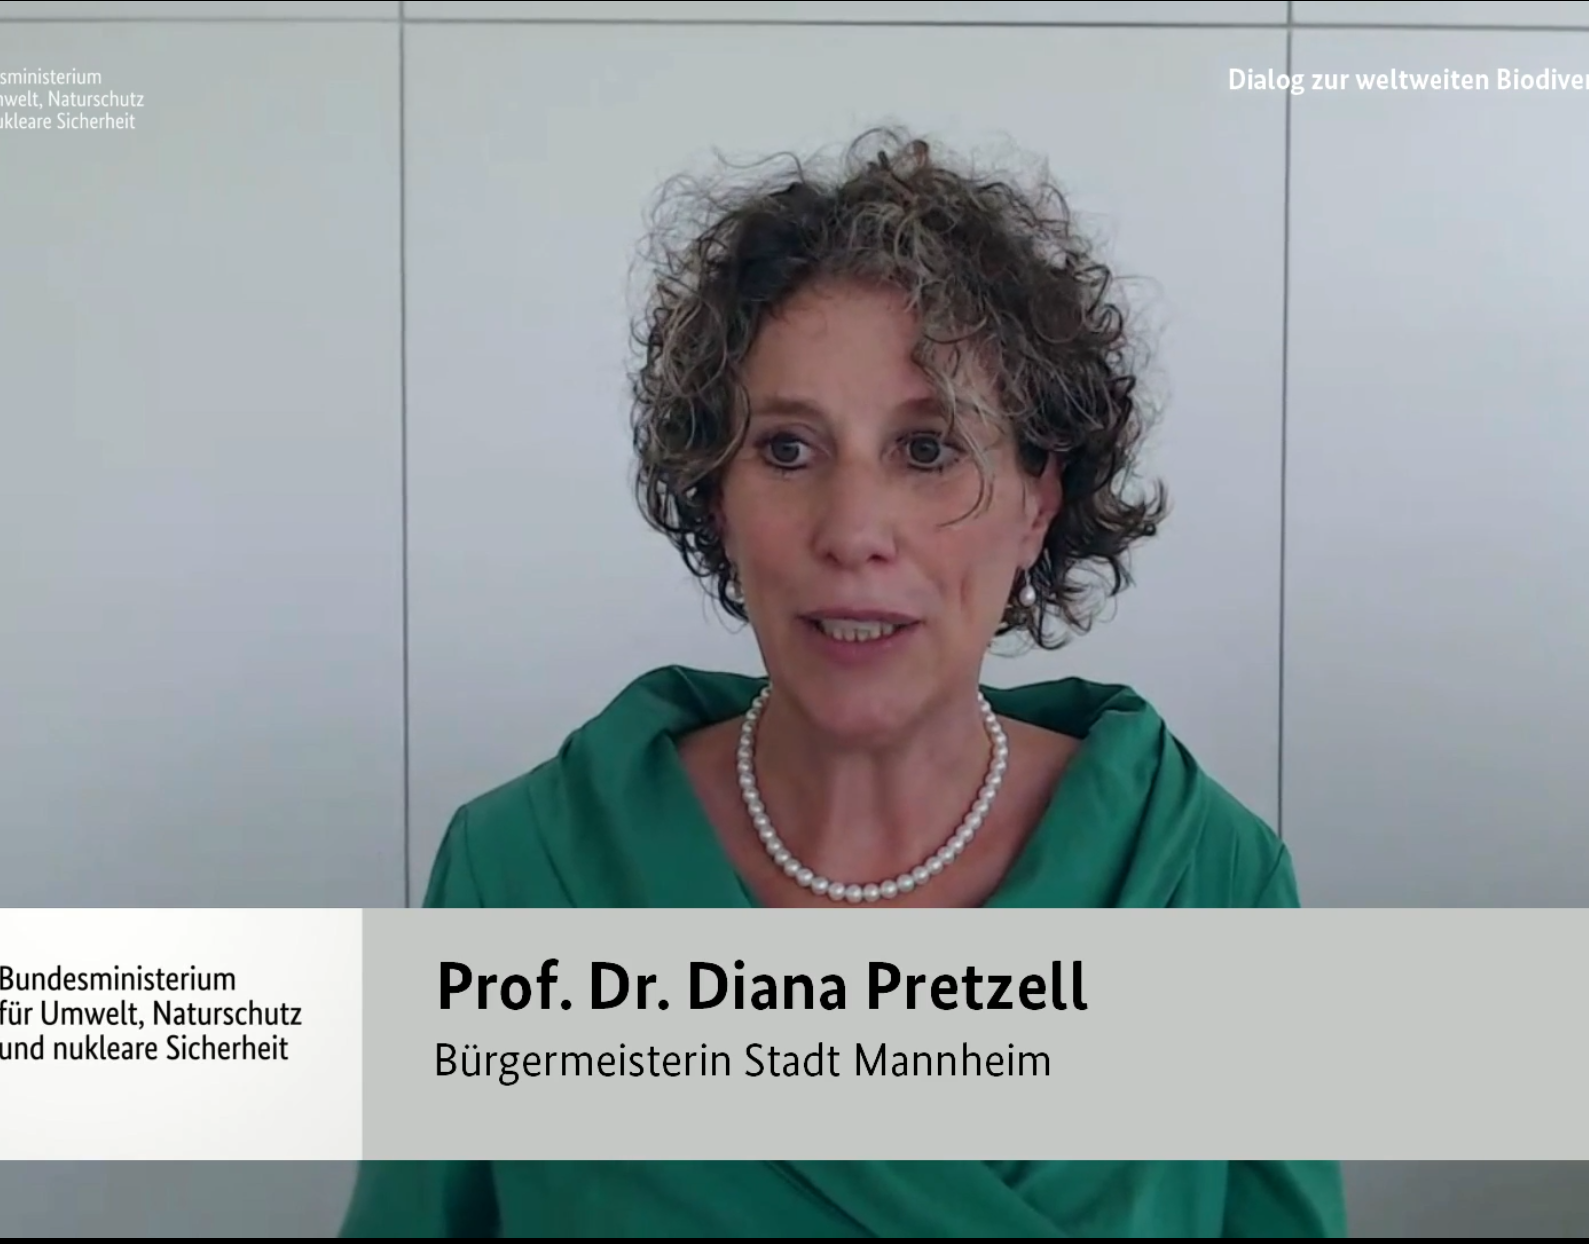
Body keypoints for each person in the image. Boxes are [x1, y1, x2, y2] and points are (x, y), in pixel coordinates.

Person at [340, 127, 1346, 1237]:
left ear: (1037, 503)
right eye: (786, 449)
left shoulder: (1210, 880)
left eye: (927, 449)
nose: (853, 528)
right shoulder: (519, 875)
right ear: (716, 498)